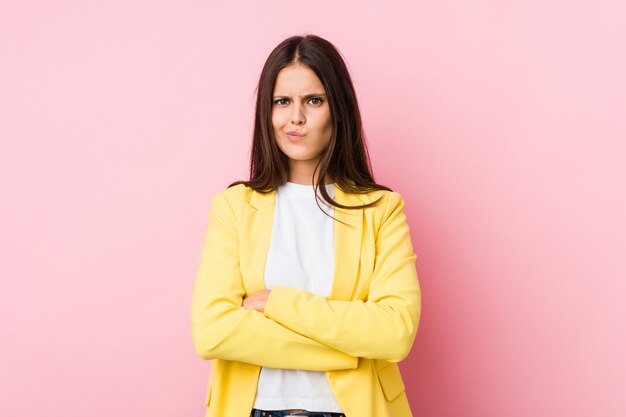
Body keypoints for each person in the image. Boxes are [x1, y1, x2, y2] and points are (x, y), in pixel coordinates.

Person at [190, 34, 421, 417]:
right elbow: (212, 331)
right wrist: (349, 351)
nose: (295, 117)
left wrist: (279, 303)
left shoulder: (381, 209)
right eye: (282, 102)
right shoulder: (233, 207)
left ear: (338, 108)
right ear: (267, 111)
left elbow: (395, 333)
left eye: (313, 100)